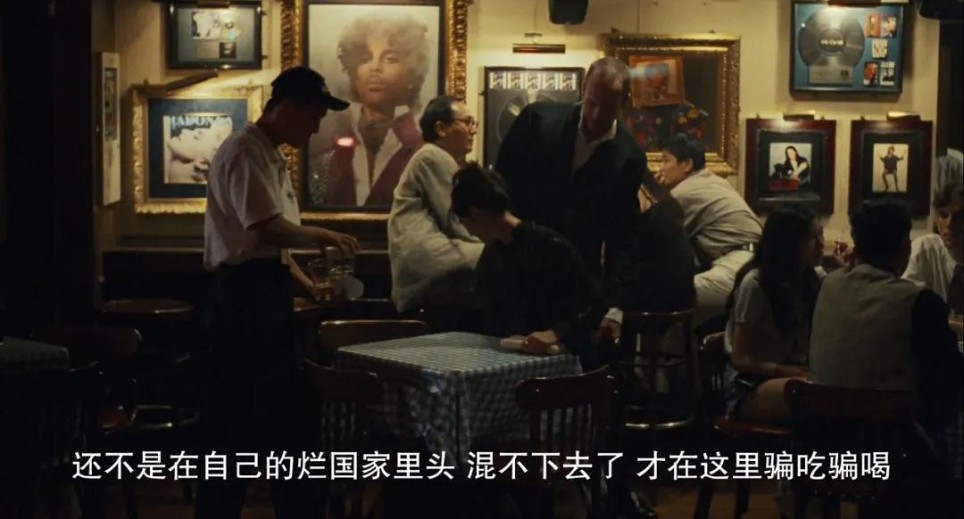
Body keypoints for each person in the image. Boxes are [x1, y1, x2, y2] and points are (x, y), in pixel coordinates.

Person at [198, 66, 360, 518]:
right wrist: (322, 235)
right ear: (285, 107)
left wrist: (310, 287)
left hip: (261, 290)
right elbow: (265, 228)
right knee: (240, 422)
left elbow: (274, 250)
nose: (315, 127)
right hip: (241, 299)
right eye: (312, 116)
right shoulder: (244, 150)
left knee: (279, 418)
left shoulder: (269, 154)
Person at [809, 199, 962, 517]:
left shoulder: (828, 285)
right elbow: (949, 379)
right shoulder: (918, 302)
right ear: (904, 246)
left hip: (825, 441)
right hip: (893, 450)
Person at [495, 57, 647, 343]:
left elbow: (623, 234)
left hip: (574, 275)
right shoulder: (536, 120)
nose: (597, 115)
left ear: (625, 102)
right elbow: (501, 187)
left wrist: (615, 305)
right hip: (516, 267)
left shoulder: (629, 156)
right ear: (582, 91)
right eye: (592, 103)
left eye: (609, 107)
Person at [450, 163, 605, 368]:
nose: (469, 232)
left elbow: (594, 306)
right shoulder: (493, 255)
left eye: (465, 222)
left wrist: (555, 333)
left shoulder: (549, 246)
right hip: (511, 362)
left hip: (562, 365)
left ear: (476, 213)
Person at [308, 13, 431, 207]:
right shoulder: (327, 158)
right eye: (365, 59)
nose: (375, 68)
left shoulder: (425, 151)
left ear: (412, 71)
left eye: (390, 59)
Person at [724, 206, 823, 423]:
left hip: (795, 374)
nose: (822, 245)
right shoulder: (756, 283)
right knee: (813, 397)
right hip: (751, 382)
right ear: (789, 242)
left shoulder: (810, 279)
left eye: (821, 235)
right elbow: (740, 358)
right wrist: (786, 370)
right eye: (812, 238)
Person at [654, 133, 763, 330]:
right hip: (754, 262)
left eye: (666, 160)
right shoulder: (716, 181)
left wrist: (656, 191)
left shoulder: (684, 193)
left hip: (735, 268)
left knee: (659, 294)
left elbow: (654, 234)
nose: (660, 168)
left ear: (687, 164)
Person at [388, 95, 484, 315]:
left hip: (424, 258)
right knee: (503, 258)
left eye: (474, 123)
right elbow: (458, 223)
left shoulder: (434, 157)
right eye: (467, 122)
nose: (473, 130)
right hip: (427, 258)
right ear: (441, 128)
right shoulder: (432, 156)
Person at [904, 181, 963, 316]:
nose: (949, 224)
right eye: (943, 215)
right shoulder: (925, 250)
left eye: (959, 217)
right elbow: (908, 303)